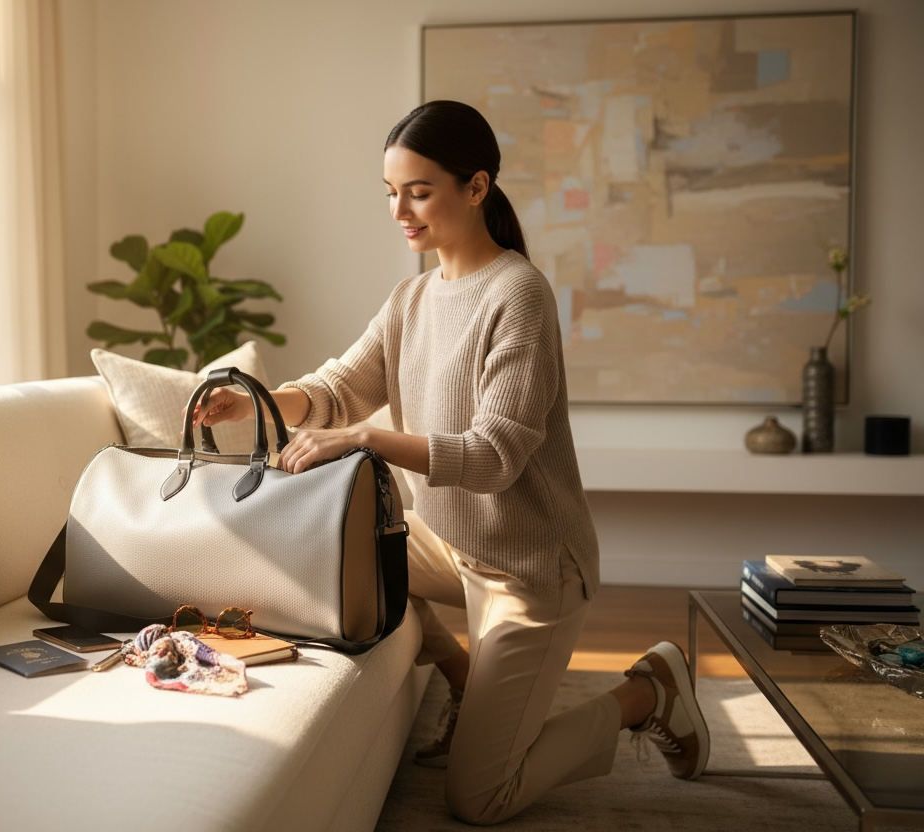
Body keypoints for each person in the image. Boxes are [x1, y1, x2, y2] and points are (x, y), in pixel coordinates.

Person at [194, 100, 708, 825]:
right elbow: (341, 387)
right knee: (328, 551)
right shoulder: (411, 298)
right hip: (447, 544)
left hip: (529, 567)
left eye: (419, 191)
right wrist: (254, 402)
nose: (400, 210)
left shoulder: (518, 295)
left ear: (476, 187)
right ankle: (466, 677)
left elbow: (494, 456)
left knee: (479, 798)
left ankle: (646, 693)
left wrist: (367, 439)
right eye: (390, 193)